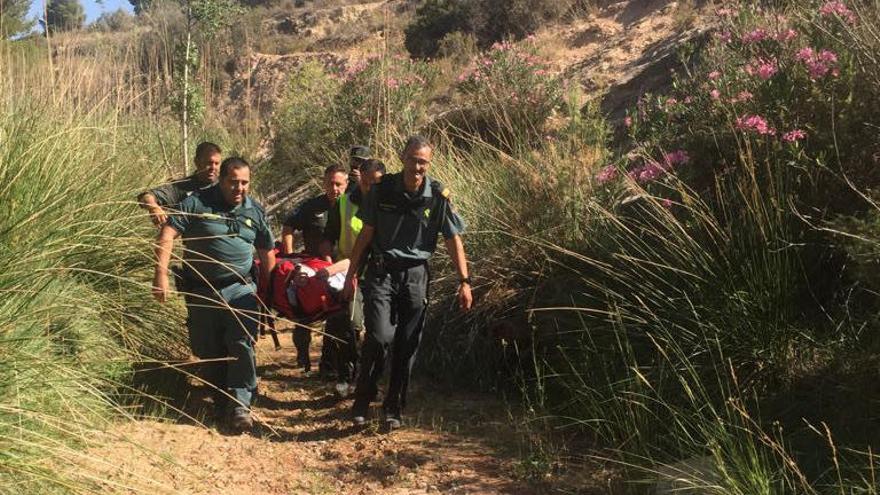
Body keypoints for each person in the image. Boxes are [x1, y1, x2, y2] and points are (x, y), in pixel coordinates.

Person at [342, 136, 473, 430]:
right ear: (403, 158)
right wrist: (351, 273)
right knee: (379, 336)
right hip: (381, 271)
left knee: (406, 344)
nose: (417, 167)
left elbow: (453, 239)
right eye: (413, 160)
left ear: (429, 163)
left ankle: (393, 408)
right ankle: (363, 398)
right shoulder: (382, 190)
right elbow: (366, 234)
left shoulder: (437, 196)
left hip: (415, 274)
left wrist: (464, 281)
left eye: (423, 162)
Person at [152, 157, 276, 431]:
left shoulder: (254, 210)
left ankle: (241, 403)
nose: (239, 188)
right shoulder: (196, 202)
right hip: (201, 290)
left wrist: (270, 294)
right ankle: (221, 401)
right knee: (207, 349)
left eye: (244, 183)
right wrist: (160, 274)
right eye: (233, 182)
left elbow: (267, 252)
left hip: (240, 288)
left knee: (241, 343)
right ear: (221, 179)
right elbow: (168, 233)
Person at [321, 159, 386, 397]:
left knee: (378, 332)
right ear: (359, 180)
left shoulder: (388, 204)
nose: (370, 188)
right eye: (366, 183)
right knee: (350, 325)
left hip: (380, 275)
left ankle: (370, 382)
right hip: (348, 275)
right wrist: (330, 265)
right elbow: (328, 238)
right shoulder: (343, 204)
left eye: (376, 183)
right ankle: (346, 377)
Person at [280, 164, 348, 374]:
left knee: (338, 316)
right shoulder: (311, 206)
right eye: (330, 184)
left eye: (339, 184)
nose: (334, 189)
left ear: (346, 185)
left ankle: (331, 363)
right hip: (311, 269)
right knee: (302, 314)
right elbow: (288, 227)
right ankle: (303, 356)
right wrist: (290, 257)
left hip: (341, 269)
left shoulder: (352, 206)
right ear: (323, 183)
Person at [138, 142, 222, 227]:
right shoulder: (182, 186)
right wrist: (154, 208)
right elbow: (146, 196)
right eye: (209, 163)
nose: (213, 168)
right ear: (197, 162)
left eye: (217, 163)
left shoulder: (227, 185)